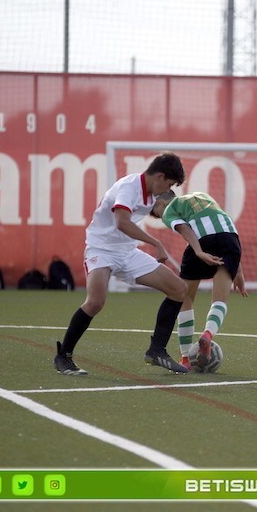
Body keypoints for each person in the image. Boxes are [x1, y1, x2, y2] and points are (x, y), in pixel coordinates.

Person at [54, 152, 189, 375]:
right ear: (159, 176)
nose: (168, 189)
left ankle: (157, 350)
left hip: (127, 251)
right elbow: (122, 223)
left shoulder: (152, 193)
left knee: (178, 289)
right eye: (169, 184)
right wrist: (156, 243)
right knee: (95, 302)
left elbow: (158, 209)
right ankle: (63, 356)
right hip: (101, 249)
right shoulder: (129, 186)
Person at [150, 191, 247, 370]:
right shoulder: (202, 196)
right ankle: (208, 334)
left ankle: (186, 358)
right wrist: (238, 271)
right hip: (230, 236)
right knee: (220, 299)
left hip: (202, 241)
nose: (160, 216)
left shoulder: (170, 209)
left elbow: (186, 229)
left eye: (157, 212)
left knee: (184, 298)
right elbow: (221, 228)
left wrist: (198, 251)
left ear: (161, 202)